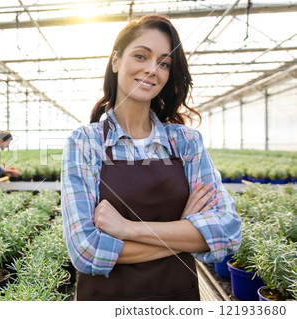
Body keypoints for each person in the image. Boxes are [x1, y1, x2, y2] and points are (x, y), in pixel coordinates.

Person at [61, 14, 242, 301]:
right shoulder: (86, 141)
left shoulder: (186, 142)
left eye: (164, 63)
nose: (152, 69)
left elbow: (228, 231)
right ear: (116, 61)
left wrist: (127, 229)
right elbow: (86, 250)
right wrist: (185, 230)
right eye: (141, 56)